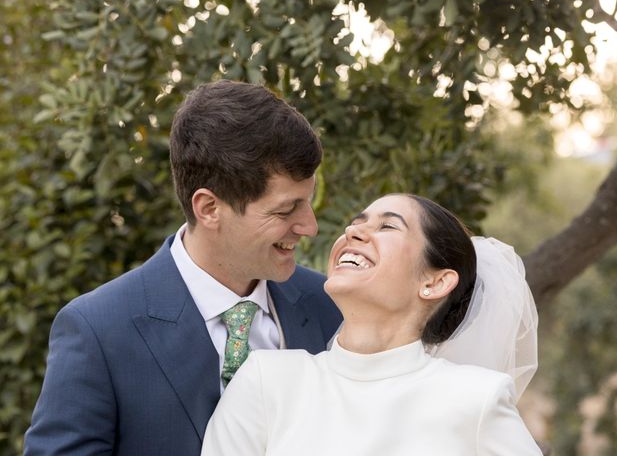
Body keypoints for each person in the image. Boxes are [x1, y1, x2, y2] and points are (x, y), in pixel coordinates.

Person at [24, 80, 342, 455]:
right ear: (209, 208)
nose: (310, 226)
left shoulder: (331, 306)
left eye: (308, 201)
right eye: (286, 210)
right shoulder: (97, 331)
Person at [201, 194, 542, 455]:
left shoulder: (477, 399)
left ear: (435, 283)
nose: (353, 231)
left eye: (387, 226)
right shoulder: (266, 379)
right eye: (356, 222)